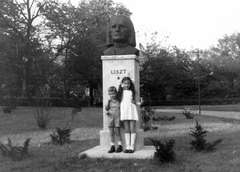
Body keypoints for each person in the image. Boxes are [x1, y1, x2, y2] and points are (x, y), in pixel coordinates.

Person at [118, 77, 139, 153]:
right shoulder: (120, 93)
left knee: (132, 128)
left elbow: (137, 102)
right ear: (122, 84)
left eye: (128, 83)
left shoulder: (132, 92)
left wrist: (139, 103)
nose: (126, 85)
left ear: (130, 84)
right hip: (124, 111)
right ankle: (127, 146)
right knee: (126, 129)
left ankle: (132, 146)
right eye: (125, 83)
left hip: (131, 110)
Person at [105, 86, 123, 153]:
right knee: (111, 133)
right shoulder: (108, 101)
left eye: (113, 93)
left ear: (116, 93)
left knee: (117, 133)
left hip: (117, 118)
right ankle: (112, 146)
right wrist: (107, 111)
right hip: (110, 118)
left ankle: (120, 146)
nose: (112, 95)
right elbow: (106, 109)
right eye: (110, 94)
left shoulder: (119, 101)